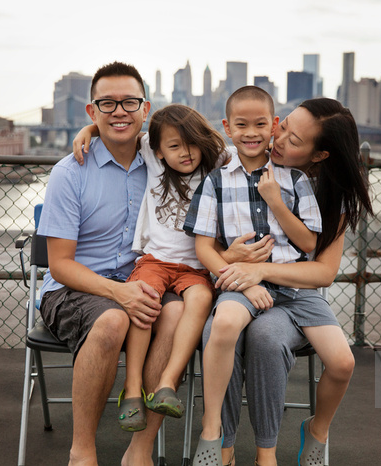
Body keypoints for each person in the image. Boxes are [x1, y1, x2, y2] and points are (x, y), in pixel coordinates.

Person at [205, 97, 373, 466]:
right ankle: (227, 445)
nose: (278, 140)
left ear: (319, 156)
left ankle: (317, 429)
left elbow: (323, 272)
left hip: (294, 292)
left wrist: (261, 271)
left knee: (343, 363)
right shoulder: (240, 155)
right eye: (283, 128)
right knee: (250, 334)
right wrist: (93, 127)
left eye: (294, 140)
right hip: (245, 289)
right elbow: (173, 138)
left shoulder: (331, 195)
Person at [37, 61, 175, 466]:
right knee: (114, 318)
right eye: (107, 104)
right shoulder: (69, 173)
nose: (120, 111)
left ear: (145, 108)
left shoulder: (163, 159)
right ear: (91, 111)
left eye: (129, 102)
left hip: (143, 279)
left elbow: (221, 148)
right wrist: (119, 294)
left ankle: (140, 450)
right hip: (73, 288)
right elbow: (60, 265)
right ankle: (82, 451)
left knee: (174, 313)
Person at [183, 86, 324, 466]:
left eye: (260, 124)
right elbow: (203, 248)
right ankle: (217, 439)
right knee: (222, 324)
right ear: (227, 128)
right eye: (241, 124)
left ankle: (267, 454)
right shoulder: (215, 180)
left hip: (288, 288)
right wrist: (243, 278)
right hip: (238, 283)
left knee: (265, 341)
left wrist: (276, 203)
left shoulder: (294, 180)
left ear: (274, 125)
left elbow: (309, 244)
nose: (251, 132)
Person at [72, 104, 229, 430]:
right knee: (144, 298)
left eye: (192, 144)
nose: (185, 153)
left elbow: (245, 146)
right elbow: (117, 132)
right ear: (158, 151)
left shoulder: (213, 168)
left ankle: (167, 384)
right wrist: (87, 130)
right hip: (155, 261)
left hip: (195, 268)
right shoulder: (154, 161)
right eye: (174, 147)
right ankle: (131, 390)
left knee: (201, 300)